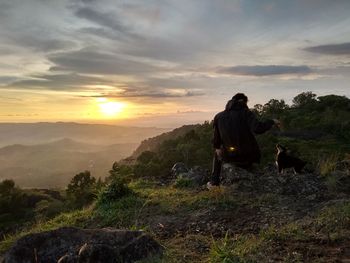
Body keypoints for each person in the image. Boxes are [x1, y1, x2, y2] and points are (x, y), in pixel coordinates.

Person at [208, 93, 280, 187]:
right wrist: (272, 122)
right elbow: (258, 128)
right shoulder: (246, 113)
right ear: (243, 102)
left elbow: (216, 139)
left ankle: (214, 183)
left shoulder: (218, 116)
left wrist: (218, 148)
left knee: (217, 152)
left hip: (229, 157)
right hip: (247, 157)